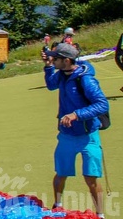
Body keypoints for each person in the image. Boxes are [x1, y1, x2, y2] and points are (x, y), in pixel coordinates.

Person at [42, 43, 109, 218]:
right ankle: (57, 205)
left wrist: (76, 115)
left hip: (88, 136)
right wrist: (48, 66)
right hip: (66, 135)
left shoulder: (86, 79)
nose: (53, 60)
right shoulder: (62, 75)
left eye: (55, 58)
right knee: (61, 173)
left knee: (91, 178)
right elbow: (50, 85)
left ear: (66, 60)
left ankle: (100, 215)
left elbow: (102, 104)